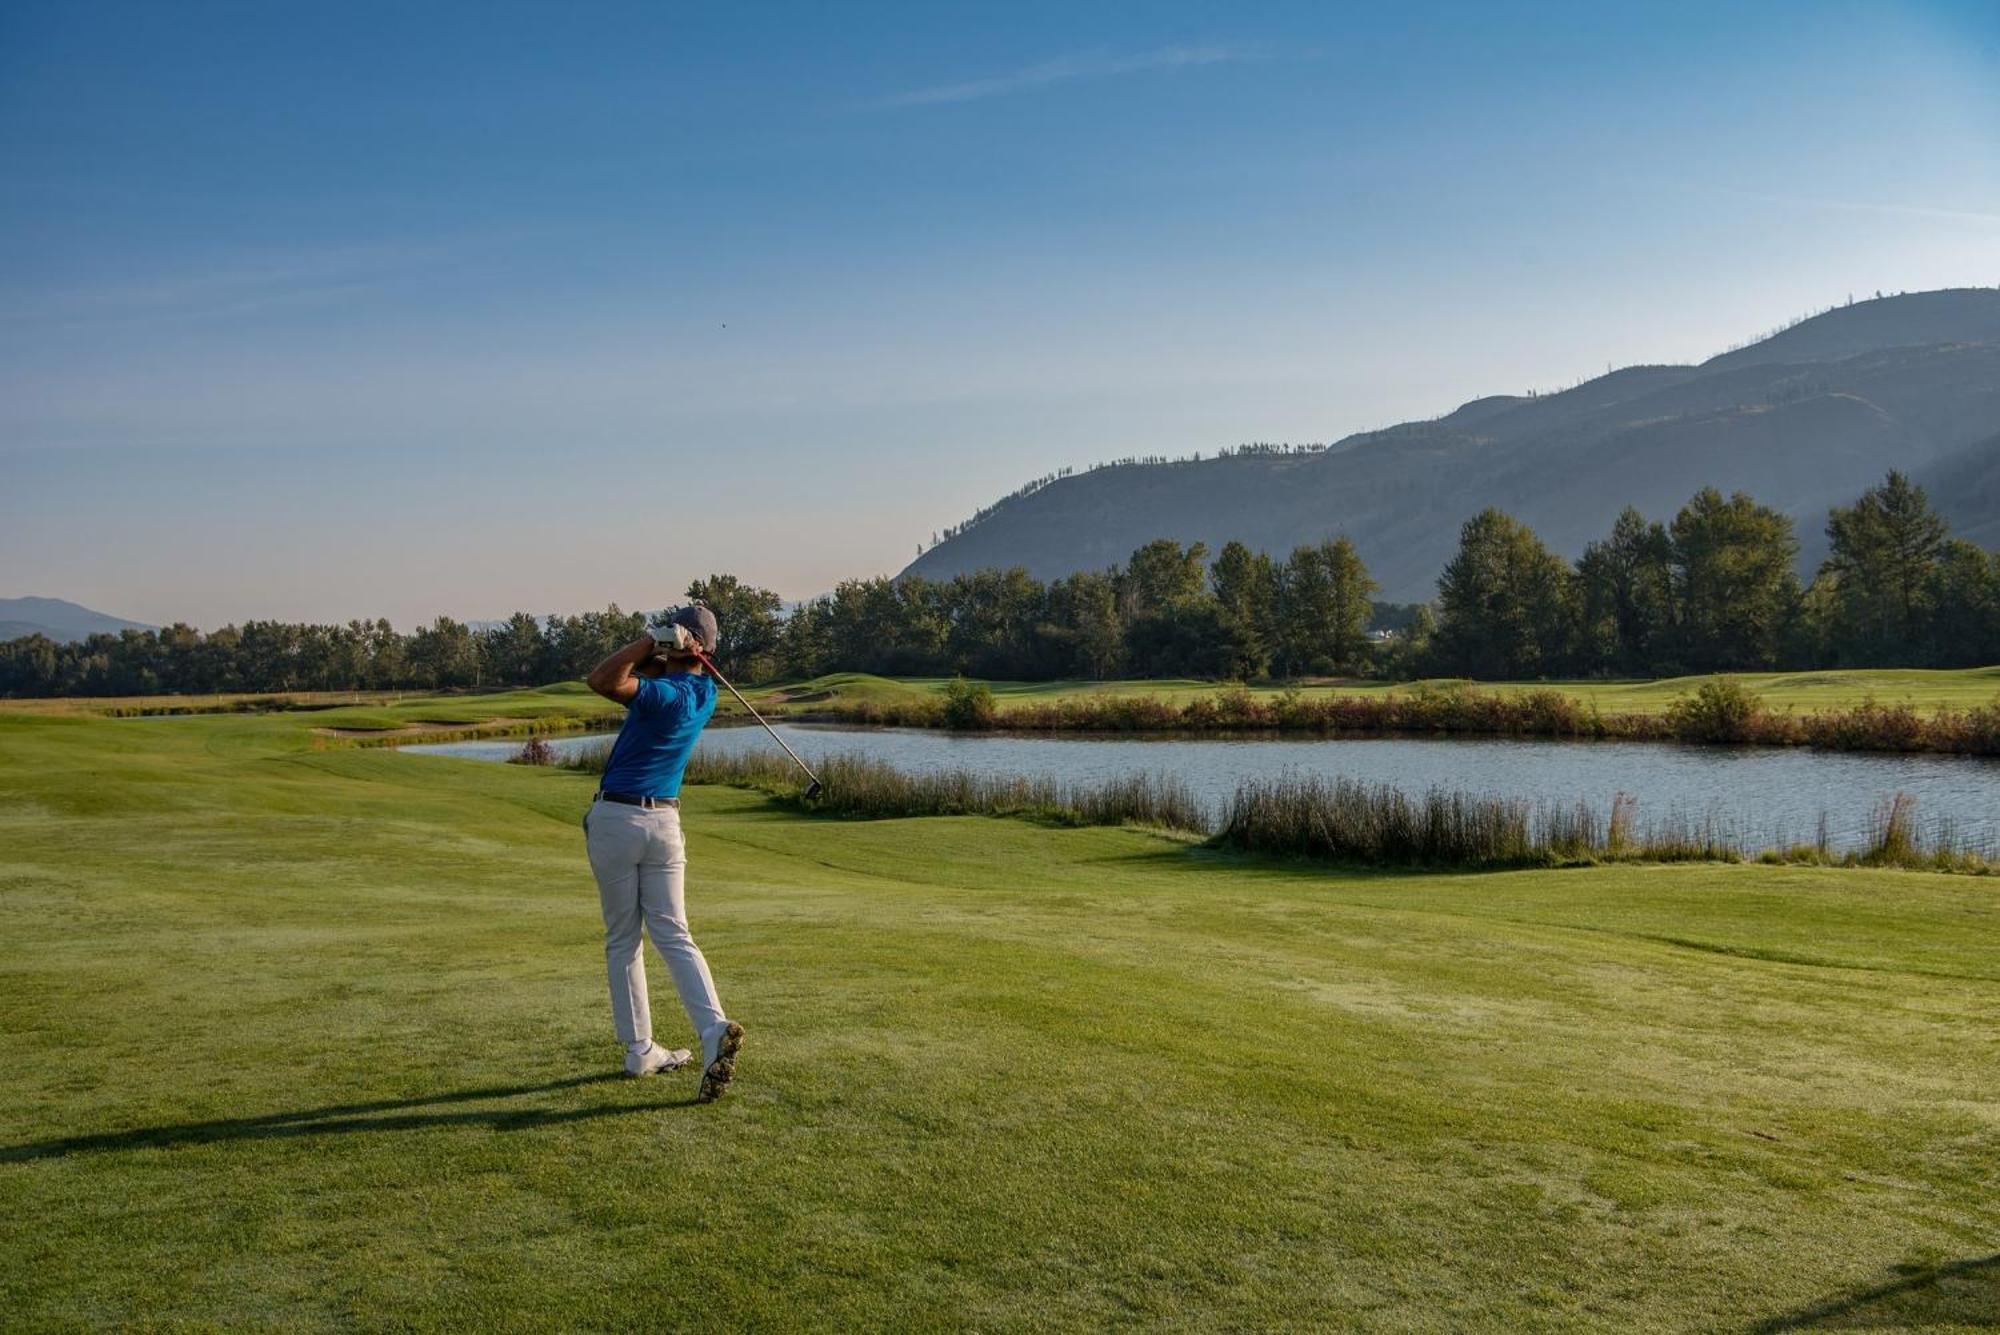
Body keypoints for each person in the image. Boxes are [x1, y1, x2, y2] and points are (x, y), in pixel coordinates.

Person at [582, 603, 744, 1102]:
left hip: (617, 819)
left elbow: (602, 680)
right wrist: (671, 648)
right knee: (674, 932)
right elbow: (655, 672)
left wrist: (646, 644)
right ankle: (712, 1028)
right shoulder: (705, 693)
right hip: (665, 823)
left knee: (622, 938)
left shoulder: (662, 695)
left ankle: (639, 1047)